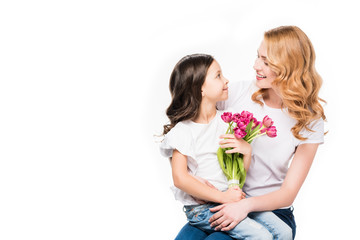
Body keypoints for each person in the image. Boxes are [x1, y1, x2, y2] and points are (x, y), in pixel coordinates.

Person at [174, 26, 326, 240]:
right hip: (220, 201)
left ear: (288, 66)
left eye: (265, 61)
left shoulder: (309, 119)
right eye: (257, 56)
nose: (255, 65)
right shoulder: (237, 92)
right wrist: (193, 179)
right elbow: (192, 127)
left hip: (270, 213)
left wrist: (244, 206)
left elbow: (288, 193)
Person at [160, 54, 290, 239]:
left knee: (284, 231)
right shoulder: (183, 131)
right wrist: (223, 198)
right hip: (204, 208)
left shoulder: (228, 120)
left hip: (234, 198)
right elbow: (180, 178)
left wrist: (247, 152)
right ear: (200, 89)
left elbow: (238, 173)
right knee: (261, 236)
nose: (226, 80)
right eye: (218, 76)